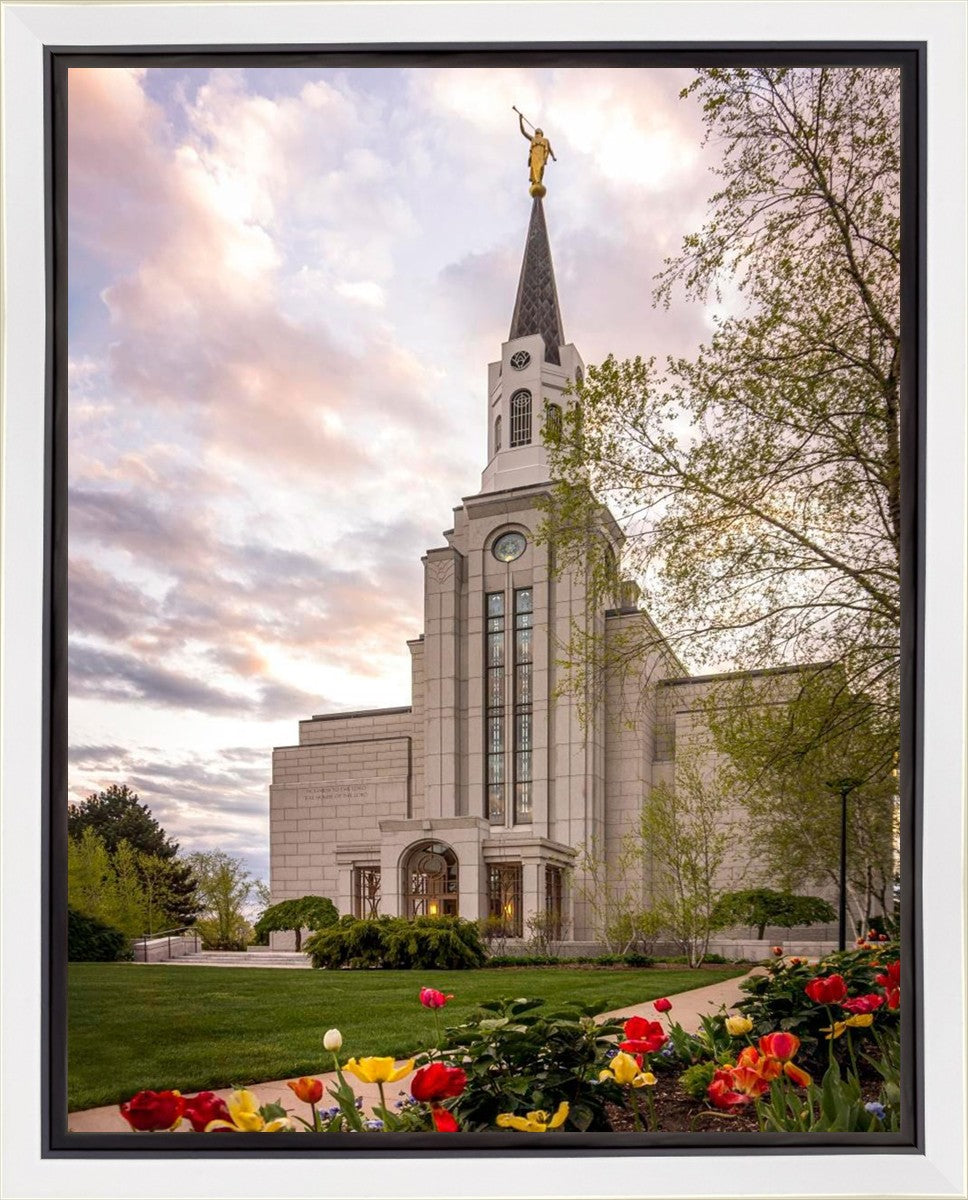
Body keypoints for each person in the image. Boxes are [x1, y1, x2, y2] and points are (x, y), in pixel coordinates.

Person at [518, 112, 556, 191]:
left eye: (539, 130)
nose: (537, 130)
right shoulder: (533, 139)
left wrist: (553, 156)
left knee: (541, 168)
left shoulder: (545, 140)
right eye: (537, 130)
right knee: (535, 170)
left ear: (541, 133)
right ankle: (536, 182)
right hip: (534, 157)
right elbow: (523, 132)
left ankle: (539, 182)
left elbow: (550, 149)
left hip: (541, 157)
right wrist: (520, 120)